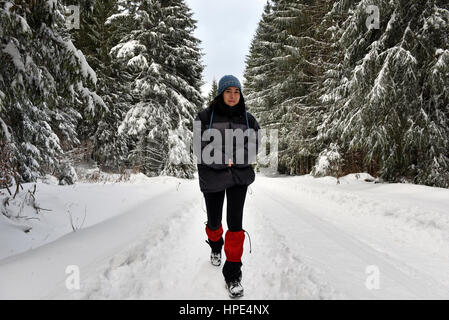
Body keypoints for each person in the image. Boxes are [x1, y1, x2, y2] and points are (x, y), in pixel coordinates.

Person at [194, 75, 260, 298]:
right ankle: (215, 245)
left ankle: (233, 274)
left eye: (236, 91)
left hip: (238, 178)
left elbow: (254, 145)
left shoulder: (249, 119)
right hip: (212, 178)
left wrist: (236, 161)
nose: (233, 96)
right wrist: (224, 160)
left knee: (235, 225)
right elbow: (199, 146)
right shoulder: (204, 117)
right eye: (228, 91)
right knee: (214, 222)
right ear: (220, 93)